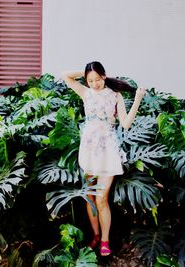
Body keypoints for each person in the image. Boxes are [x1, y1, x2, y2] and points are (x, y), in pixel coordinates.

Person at [61, 61, 146, 256]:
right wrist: (85, 72)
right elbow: (65, 75)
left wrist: (138, 99)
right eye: (90, 80)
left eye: (97, 79)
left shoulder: (115, 95)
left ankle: (105, 241)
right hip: (89, 150)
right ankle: (96, 236)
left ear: (104, 76)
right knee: (90, 198)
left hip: (107, 151)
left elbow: (125, 124)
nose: (93, 84)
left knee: (101, 199)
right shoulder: (85, 92)